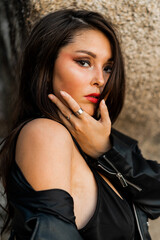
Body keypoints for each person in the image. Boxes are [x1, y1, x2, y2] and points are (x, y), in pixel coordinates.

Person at [0, 8, 159, 240]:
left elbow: (156, 197)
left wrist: (106, 150)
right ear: (45, 65)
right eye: (84, 62)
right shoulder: (46, 134)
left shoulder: (96, 147)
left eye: (108, 68)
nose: (101, 80)